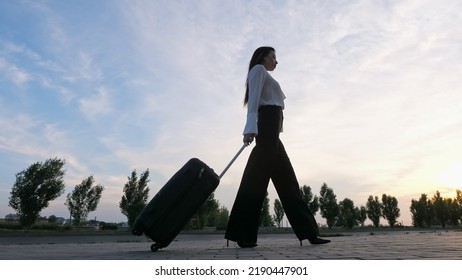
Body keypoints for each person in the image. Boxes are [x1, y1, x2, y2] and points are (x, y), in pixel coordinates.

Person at [225, 46, 331, 248]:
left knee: (288, 181)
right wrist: (250, 128)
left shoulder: (265, 74)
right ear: (262, 56)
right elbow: (254, 101)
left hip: (272, 132)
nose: (276, 60)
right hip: (266, 128)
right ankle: (242, 234)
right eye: (273, 56)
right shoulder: (258, 70)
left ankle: (309, 233)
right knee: (255, 179)